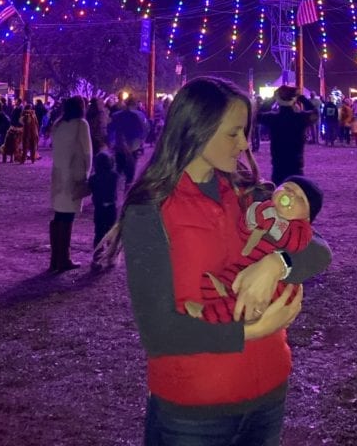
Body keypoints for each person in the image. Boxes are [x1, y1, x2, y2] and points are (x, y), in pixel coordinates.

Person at [120, 76, 331, 445]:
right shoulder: (150, 210)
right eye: (234, 133)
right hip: (194, 413)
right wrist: (253, 331)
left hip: (267, 397)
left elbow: (317, 251)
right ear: (197, 129)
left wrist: (275, 264)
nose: (245, 143)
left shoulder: (249, 193)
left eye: (245, 131)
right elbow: (158, 333)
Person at [186, 176, 324, 323]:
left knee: (247, 302)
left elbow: (296, 244)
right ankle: (222, 295)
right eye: (287, 188)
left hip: (280, 284)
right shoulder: (263, 207)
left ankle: (209, 315)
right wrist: (252, 221)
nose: (290, 196)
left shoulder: (301, 229)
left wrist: (276, 222)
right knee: (222, 278)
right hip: (247, 267)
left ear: (307, 217)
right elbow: (244, 233)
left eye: (300, 199)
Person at [49, 95, 92, 272]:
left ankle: (55, 258)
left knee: (59, 216)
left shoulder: (58, 125)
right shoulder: (81, 125)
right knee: (67, 217)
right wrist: (87, 173)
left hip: (58, 174)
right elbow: (87, 152)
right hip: (74, 174)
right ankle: (63, 258)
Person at [259, 85, 316, 185]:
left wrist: (273, 99)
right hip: (296, 166)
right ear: (294, 99)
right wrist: (301, 97)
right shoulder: (300, 118)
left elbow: (259, 114)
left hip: (278, 166)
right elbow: (315, 113)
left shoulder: (273, 118)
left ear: (278, 99)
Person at [108, 96, 148, 192]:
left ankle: (113, 192)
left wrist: (111, 142)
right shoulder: (139, 115)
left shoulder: (116, 115)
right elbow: (145, 128)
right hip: (133, 147)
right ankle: (127, 192)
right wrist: (142, 140)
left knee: (118, 169)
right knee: (130, 172)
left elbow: (111, 129)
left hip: (119, 146)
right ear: (135, 104)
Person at [88, 149, 119, 248]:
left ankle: (97, 256)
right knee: (111, 231)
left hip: (99, 208)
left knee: (99, 232)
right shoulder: (114, 176)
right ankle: (110, 257)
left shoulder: (93, 178)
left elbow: (90, 189)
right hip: (111, 206)